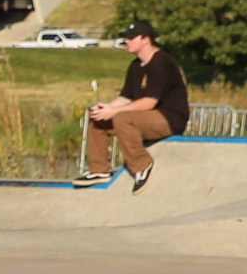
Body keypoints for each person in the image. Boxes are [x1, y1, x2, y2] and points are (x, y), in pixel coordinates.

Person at [78, 19, 188, 193]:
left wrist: (114, 112)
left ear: (146, 40)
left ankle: (142, 165)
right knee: (98, 120)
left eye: (131, 38)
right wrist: (106, 108)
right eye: (125, 38)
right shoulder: (136, 66)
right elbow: (126, 97)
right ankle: (99, 170)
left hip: (169, 119)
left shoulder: (162, 64)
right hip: (143, 117)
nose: (126, 41)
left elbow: (149, 102)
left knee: (122, 118)